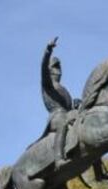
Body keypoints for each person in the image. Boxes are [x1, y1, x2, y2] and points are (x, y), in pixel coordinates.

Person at [40, 37, 76, 169]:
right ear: (49, 71)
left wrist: (76, 105)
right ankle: (58, 158)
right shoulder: (47, 84)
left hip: (68, 114)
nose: (58, 71)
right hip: (56, 116)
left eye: (59, 69)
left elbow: (70, 107)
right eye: (55, 68)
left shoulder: (64, 89)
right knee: (63, 123)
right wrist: (48, 50)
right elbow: (43, 66)